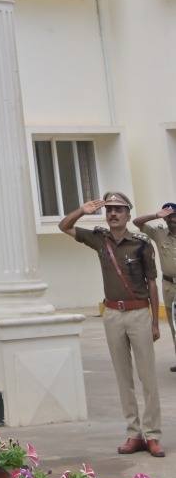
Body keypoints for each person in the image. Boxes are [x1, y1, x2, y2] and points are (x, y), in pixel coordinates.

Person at [60, 191, 163, 456]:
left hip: (139, 313)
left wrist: (154, 322)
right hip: (113, 314)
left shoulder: (141, 244)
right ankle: (134, 433)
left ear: (128, 214)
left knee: (147, 377)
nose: (113, 214)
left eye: (119, 209)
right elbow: (64, 226)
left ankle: (152, 434)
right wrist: (82, 210)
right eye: (109, 210)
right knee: (123, 376)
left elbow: (152, 282)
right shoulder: (99, 239)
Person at [133, 202, 176, 372]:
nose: (172, 219)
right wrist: (156, 215)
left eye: (174, 216)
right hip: (169, 286)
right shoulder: (159, 233)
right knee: (174, 325)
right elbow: (137, 222)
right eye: (168, 217)